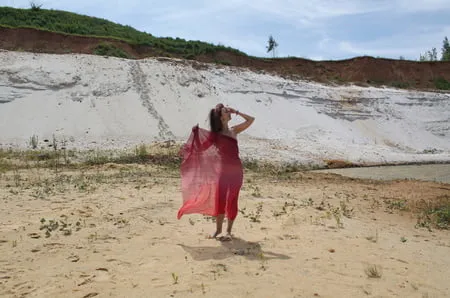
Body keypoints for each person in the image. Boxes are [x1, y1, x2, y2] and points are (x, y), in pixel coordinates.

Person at [177, 103, 255, 240]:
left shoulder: (233, 130)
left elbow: (251, 120)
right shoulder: (215, 136)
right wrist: (194, 136)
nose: (229, 112)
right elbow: (200, 149)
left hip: (237, 171)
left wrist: (236, 111)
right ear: (220, 117)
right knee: (221, 200)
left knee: (232, 200)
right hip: (223, 172)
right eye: (226, 111)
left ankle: (228, 231)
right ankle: (218, 231)